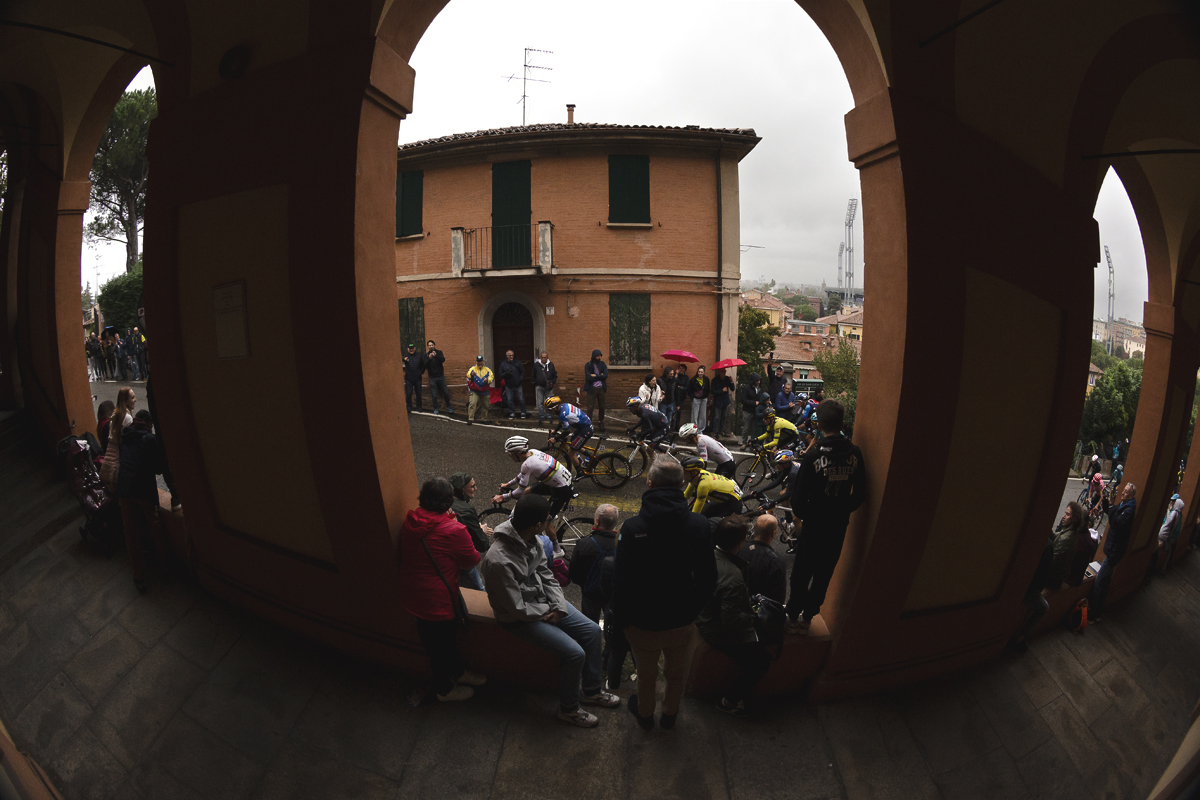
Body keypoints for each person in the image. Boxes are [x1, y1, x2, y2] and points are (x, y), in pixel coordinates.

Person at [480, 494, 620, 727]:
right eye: (547, 520)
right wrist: (551, 610)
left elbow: (545, 574)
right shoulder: (498, 561)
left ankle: (591, 690)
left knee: (593, 631)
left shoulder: (532, 539)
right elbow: (516, 608)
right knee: (575, 654)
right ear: (537, 524)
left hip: (544, 603)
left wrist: (558, 605)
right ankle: (569, 708)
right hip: (520, 618)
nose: (549, 524)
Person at [612, 456, 717, 730]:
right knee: (676, 673)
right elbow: (708, 578)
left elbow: (620, 583)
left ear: (649, 484)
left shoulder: (632, 529)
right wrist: (692, 612)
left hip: (643, 623)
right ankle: (670, 713)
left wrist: (625, 621)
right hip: (683, 621)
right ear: (682, 484)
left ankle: (645, 715)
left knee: (646, 675)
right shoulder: (699, 525)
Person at [397, 477, 486, 701]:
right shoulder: (454, 529)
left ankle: (457, 673)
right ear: (449, 502)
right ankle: (443, 689)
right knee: (442, 646)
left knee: (435, 642)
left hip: (414, 594)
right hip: (438, 600)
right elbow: (471, 559)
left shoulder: (411, 519)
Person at [785, 399, 866, 634]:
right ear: (842, 423)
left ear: (819, 425)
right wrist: (841, 511)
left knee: (802, 572)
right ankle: (809, 616)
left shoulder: (813, 457)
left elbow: (798, 500)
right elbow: (860, 493)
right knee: (824, 573)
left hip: (814, 526)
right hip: (838, 526)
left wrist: (812, 516)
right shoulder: (855, 453)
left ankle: (792, 616)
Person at [697, 516, 772, 718]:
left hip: (702, 616)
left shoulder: (705, 555)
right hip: (714, 630)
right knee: (762, 660)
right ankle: (728, 702)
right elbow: (731, 622)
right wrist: (752, 616)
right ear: (740, 542)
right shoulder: (732, 576)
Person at [1007, 501, 1086, 652]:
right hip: (1046, 579)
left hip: (1051, 579)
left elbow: (1051, 562)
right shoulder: (1069, 534)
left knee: (1043, 607)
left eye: (1067, 514)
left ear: (1074, 519)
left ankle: (1020, 637)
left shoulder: (1066, 539)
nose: (1063, 516)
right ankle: (1021, 637)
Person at [117, 409, 166, 592]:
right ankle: (164, 564)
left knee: (131, 535)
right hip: (143, 490)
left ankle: (138, 576)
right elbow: (159, 468)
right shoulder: (149, 439)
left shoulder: (125, 437)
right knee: (155, 527)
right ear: (147, 422)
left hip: (124, 489)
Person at [493, 436, 574, 520]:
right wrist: (508, 484)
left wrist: (503, 497)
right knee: (527, 491)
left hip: (562, 489)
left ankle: (549, 523)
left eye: (510, 453)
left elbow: (520, 490)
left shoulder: (527, 464)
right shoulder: (532, 452)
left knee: (546, 523)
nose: (510, 456)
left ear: (518, 453)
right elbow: (523, 474)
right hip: (559, 481)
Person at [1090, 482, 1136, 622]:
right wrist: (1106, 501)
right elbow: (1111, 511)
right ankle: (1098, 613)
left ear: (1132, 495)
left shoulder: (1129, 510)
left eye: (1126, 492)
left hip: (1114, 552)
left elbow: (1115, 522)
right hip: (1113, 550)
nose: (1122, 493)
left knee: (1099, 582)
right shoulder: (1124, 506)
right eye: (1124, 490)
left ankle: (1093, 614)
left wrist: (1110, 506)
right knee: (1105, 582)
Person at [568, 504, 620, 623]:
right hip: (612, 594)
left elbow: (574, 575)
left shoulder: (584, 544)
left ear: (597, 521)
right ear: (615, 523)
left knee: (589, 624)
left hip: (590, 594)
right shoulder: (622, 545)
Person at [449, 472, 492, 591]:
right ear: (463, 489)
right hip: (463, 561)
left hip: (447, 558)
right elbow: (482, 544)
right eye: (472, 486)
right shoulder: (467, 510)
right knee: (479, 590)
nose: (476, 488)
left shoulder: (446, 502)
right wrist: (481, 530)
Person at [742, 515, 786, 604]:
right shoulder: (776, 562)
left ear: (754, 527)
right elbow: (778, 598)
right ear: (773, 533)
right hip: (760, 608)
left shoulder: (739, 548)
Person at [544, 396, 594, 474]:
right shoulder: (564, 405)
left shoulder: (561, 415)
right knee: (573, 442)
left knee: (571, 452)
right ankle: (589, 458)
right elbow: (562, 422)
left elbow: (567, 431)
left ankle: (580, 473)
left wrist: (556, 438)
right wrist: (555, 431)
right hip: (583, 426)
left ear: (555, 407)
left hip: (585, 430)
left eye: (550, 410)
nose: (549, 412)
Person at [1157, 494, 1184, 575]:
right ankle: (1163, 568)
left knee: (1167, 551)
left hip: (1165, 535)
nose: (1171, 502)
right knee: (1168, 552)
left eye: (1173, 500)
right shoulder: (1176, 513)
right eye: (1172, 500)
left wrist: (1168, 510)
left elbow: (1169, 523)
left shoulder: (1174, 513)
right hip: (1165, 534)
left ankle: (1162, 568)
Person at [497, 350, 527, 419]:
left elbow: (523, 371)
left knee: (521, 399)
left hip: (517, 384)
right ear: (507, 356)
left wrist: (520, 379)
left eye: (512, 355)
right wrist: (506, 374)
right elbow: (500, 374)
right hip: (508, 385)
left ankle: (523, 412)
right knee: (510, 400)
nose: (511, 357)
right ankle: (512, 412)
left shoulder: (518, 363)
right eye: (510, 355)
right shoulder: (503, 364)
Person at [425, 340, 453, 414]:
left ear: (434, 345)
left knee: (446, 392)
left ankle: (448, 406)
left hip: (441, 376)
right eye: (429, 345)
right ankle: (436, 408)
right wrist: (429, 358)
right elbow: (424, 364)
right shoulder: (426, 355)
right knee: (434, 394)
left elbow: (443, 360)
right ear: (428, 346)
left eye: (432, 345)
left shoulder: (439, 352)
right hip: (432, 378)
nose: (431, 346)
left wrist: (436, 355)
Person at [584, 349, 608, 432]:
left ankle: (601, 422)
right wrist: (599, 376)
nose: (599, 357)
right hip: (592, 389)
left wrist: (595, 375)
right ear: (594, 356)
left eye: (600, 356)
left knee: (601, 406)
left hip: (601, 388)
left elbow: (605, 376)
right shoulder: (588, 365)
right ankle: (588, 423)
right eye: (598, 356)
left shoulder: (602, 364)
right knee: (590, 407)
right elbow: (588, 378)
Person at [466, 356, 494, 425]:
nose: (479, 363)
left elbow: (491, 377)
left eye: (480, 361)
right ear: (476, 362)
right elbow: (468, 375)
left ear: (483, 361)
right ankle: (470, 418)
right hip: (474, 390)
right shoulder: (473, 369)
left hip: (484, 391)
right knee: (472, 403)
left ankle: (484, 419)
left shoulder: (487, 369)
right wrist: (471, 375)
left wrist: (487, 380)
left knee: (486, 405)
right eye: (478, 361)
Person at [532, 351, 558, 423]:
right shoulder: (536, 365)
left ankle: (549, 416)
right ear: (540, 358)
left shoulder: (551, 365)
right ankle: (542, 416)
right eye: (542, 357)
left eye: (545, 357)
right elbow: (533, 374)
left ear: (547, 358)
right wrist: (535, 383)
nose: (543, 359)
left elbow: (554, 375)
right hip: (539, 386)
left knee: (549, 402)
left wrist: (553, 382)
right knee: (540, 402)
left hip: (549, 387)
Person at [402, 343, 426, 413]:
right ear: (408, 349)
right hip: (409, 379)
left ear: (414, 349)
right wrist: (404, 359)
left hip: (418, 379)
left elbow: (423, 365)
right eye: (410, 348)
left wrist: (420, 373)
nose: (411, 349)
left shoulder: (419, 356)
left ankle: (419, 407)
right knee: (409, 394)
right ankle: (409, 407)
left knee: (418, 393)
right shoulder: (406, 356)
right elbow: (402, 359)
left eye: (412, 348)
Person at [710, 368, 734, 439]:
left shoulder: (727, 379)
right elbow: (713, 391)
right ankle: (716, 431)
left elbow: (732, 389)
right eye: (722, 372)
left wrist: (731, 381)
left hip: (725, 401)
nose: (723, 373)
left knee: (724, 416)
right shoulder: (714, 380)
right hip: (718, 401)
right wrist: (722, 390)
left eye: (724, 372)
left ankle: (722, 430)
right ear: (719, 372)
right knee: (717, 417)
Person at [740, 374, 763, 447]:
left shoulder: (760, 389)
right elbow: (743, 400)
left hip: (756, 411)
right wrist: (754, 403)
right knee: (746, 428)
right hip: (748, 410)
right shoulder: (747, 388)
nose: (759, 382)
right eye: (757, 380)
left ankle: (752, 443)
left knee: (754, 428)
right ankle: (744, 442)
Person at [688, 365, 711, 432]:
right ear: (697, 372)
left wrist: (706, 395)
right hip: (696, 399)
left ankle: (701, 430)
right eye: (699, 372)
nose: (700, 373)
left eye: (702, 372)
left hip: (704, 399)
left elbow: (708, 389)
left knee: (703, 415)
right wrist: (693, 398)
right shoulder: (693, 380)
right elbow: (689, 391)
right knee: (695, 415)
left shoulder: (706, 379)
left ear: (704, 373)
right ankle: (694, 429)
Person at [672, 364, 690, 430]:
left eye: (682, 368)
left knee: (679, 412)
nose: (681, 369)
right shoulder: (675, 376)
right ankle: (671, 425)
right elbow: (673, 384)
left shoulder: (686, 377)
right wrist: (676, 375)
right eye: (680, 368)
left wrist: (679, 387)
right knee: (672, 412)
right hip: (674, 397)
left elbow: (687, 387)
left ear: (685, 369)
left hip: (681, 397)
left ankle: (677, 425)